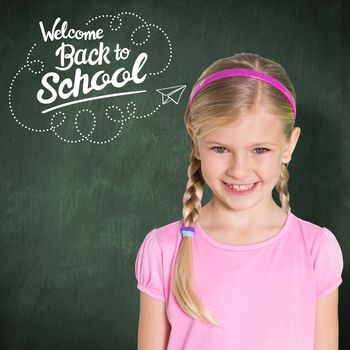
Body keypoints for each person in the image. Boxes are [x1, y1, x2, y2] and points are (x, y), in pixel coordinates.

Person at [134, 52, 344, 350]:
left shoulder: (316, 250)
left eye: (260, 150)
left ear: (289, 146)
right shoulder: (163, 250)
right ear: (196, 142)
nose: (239, 170)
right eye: (220, 148)